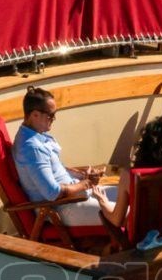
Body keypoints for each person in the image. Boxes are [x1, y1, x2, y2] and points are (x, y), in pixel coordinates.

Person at [11, 86, 110, 228]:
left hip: (74, 198)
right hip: (63, 208)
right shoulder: (32, 148)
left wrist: (81, 175)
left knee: (132, 196)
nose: (54, 119)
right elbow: (53, 193)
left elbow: (54, 170)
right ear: (35, 115)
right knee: (128, 212)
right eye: (50, 115)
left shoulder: (36, 135)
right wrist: (86, 183)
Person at [97, 115, 162, 231]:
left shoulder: (130, 176)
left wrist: (102, 201)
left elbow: (116, 220)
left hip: (145, 237)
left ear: (145, 145)